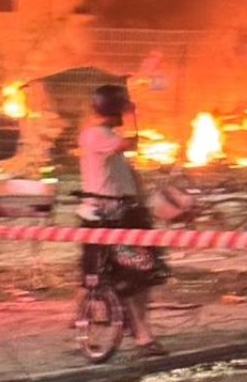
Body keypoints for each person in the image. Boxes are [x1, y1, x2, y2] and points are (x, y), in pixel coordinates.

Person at [78, 84, 168, 357]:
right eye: (122, 108)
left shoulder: (106, 138)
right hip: (108, 218)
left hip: (122, 215)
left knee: (111, 276)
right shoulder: (95, 135)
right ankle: (142, 337)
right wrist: (132, 114)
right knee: (135, 276)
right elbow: (130, 143)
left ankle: (90, 326)